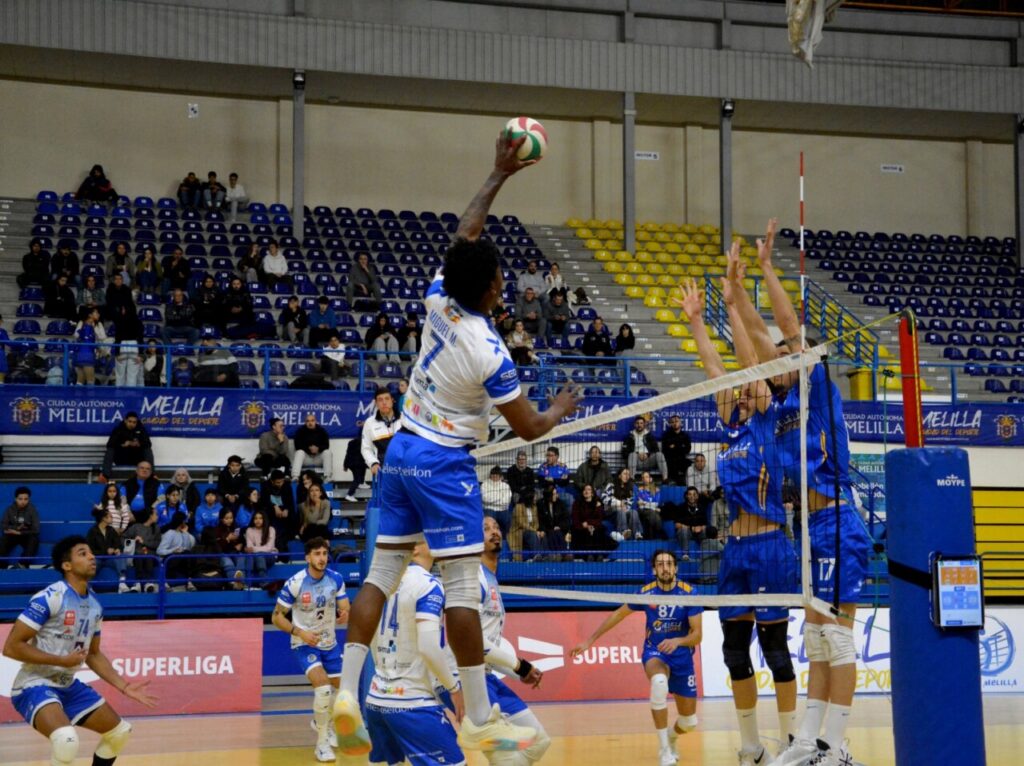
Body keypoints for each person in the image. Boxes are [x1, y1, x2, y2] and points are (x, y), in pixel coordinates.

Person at [333, 130, 578, 758]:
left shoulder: (437, 298)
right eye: (500, 278)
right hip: (443, 462)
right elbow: (529, 428)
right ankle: (479, 716)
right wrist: (560, 409)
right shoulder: (490, 350)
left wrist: (499, 173)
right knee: (463, 590)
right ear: (493, 290)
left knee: (380, 574)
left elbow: (466, 232)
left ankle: (346, 693)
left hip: (401, 451)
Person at [728, 223, 871, 766]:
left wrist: (766, 269)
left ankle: (837, 744)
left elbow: (786, 330)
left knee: (837, 637)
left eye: (793, 353)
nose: (785, 356)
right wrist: (734, 296)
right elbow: (756, 353)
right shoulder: (777, 410)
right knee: (814, 641)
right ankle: (809, 740)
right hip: (808, 530)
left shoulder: (818, 388)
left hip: (837, 521)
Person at [677, 274, 799, 764]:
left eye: (747, 391)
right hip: (735, 552)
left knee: (775, 650)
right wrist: (696, 322)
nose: (741, 395)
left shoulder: (769, 421)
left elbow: (750, 366)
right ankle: (752, 747)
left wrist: (731, 306)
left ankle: (793, 743)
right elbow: (716, 371)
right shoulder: (732, 431)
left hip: (770, 547)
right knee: (733, 652)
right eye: (739, 394)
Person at [1, 536, 156, 766]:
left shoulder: (95, 605)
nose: (92, 557)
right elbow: (11, 647)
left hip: (67, 684)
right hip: (33, 684)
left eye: (91, 552)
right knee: (66, 740)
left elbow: (93, 654)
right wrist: (61, 661)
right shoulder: (50, 598)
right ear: (67, 565)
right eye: (83, 553)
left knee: (119, 732)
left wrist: (124, 686)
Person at [571, 549, 702, 766]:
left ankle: (671, 737)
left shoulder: (690, 593)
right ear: (654, 570)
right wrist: (589, 641)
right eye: (660, 564)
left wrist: (678, 641)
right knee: (659, 683)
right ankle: (664, 750)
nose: (665, 568)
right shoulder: (645, 593)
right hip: (655, 652)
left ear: (676, 568)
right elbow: (618, 614)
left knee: (689, 722)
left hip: (681, 656)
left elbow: (697, 635)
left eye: (669, 564)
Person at [365, 541, 465, 766]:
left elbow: (368, 635)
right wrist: (454, 689)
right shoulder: (429, 584)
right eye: (428, 538)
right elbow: (428, 646)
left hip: (375, 700)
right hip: (413, 703)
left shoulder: (380, 583)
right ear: (414, 548)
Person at [472, 516, 552, 762]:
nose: (494, 532)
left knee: (539, 741)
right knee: (505, 759)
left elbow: (487, 648)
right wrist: (520, 666)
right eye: (486, 529)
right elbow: (472, 641)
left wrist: (519, 674)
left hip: (486, 675)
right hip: (468, 679)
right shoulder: (475, 577)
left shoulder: (492, 579)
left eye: (496, 527)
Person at [272, 537, 350, 762]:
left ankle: (321, 722)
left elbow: (345, 606)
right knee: (323, 688)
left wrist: (345, 613)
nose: (322, 558)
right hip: (304, 643)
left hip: (330, 643)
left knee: (342, 691)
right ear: (307, 557)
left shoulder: (336, 579)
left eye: (324, 554)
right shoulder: (296, 583)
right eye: (317, 554)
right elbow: (276, 617)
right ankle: (322, 743)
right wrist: (300, 632)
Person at [86, 507, 130, 593]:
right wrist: (105, 551)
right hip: (98, 557)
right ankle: (88, 587)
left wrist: (117, 549)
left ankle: (122, 583)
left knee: (121, 557)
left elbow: (118, 544)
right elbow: (90, 548)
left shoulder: (111, 530)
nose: (112, 518)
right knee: (92, 563)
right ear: (104, 518)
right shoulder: (92, 531)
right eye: (110, 516)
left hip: (109, 558)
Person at [99, 413, 153, 482]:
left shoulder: (141, 429)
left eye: (134, 422)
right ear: (125, 421)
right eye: (130, 421)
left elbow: (148, 444)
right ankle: (105, 475)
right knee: (110, 450)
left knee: (147, 450)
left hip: (136, 459)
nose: (132, 424)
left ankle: (151, 475)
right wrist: (123, 444)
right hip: (122, 458)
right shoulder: (118, 429)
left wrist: (138, 444)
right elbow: (110, 444)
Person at [361, 387, 400, 479]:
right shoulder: (369, 423)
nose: (384, 402)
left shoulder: (405, 420)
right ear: (376, 403)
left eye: (387, 399)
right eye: (380, 400)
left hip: (406, 470)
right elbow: (366, 448)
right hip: (383, 472)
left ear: (392, 400)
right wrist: (373, 463)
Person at [0, 487, 41, 569]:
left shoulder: (32, 510)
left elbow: (36, 529)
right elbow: (3, 525)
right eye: (20, 499)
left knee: (34, 540)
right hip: (12, 534)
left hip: (26, 535)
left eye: (26, 499)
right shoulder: (9, 509)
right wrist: (17, 528)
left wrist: (20, 532)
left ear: (29, 499)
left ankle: (22, 564)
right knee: (3, 540)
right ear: (15, 499)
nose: (23, 501)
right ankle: (2, 565)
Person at [570, 484, 613, 559]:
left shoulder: (597, 504)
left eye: (589, 489)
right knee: (585, 533)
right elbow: (575, 519)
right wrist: (585, 526)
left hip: (594, 527)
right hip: (581, 527)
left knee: (599, 531)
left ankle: (599, 554)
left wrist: (589, 523)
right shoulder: (577, 503)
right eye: (584, 489)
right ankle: (587, 555)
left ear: (592, 493)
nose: (586, 491)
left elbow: (599, 519)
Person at [123, 508, 161, 591]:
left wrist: (144, 542)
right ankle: (138, 582)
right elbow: (123, 538)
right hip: (137, 554)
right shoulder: (136, 527)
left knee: (148, 555)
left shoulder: (157, 528)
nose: (157, 516)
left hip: (151, 555)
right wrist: (133, 540)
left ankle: (149, 582)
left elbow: (157, 544)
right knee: (139, 554)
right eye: (156, 514)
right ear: (150, 516)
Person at [156, 511, 196, 587]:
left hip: (181, 558)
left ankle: (189, 581)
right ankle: (166, 582)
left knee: (188, 554)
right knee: (180, 556)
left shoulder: (184, 533)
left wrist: (185, 533)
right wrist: (172, 550)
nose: (186, 523)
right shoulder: (170, 533)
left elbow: (188, 547)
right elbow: (159, 551)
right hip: (170, 557)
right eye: (184, 521)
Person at [623, 416, 668, 480]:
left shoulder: (649, 436)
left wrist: (647, 454)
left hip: (649, 460)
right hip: (636, 461)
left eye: (641, 423)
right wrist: (637, 454)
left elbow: (656, 449)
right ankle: (631, 479)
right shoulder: (629, 437)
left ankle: (665, 479)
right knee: (632, 455)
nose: (639, 425)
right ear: (634, 424)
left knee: (659, 454)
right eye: (637, 423)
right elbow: (624, 453)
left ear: (644, 424)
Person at [292, 413, 333, 483]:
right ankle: (295, 477)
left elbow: (326, 445)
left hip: (318, 457)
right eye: (308, 421)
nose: (310, 423)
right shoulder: (300, 431)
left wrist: (318, 449)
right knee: (299, 452)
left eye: (312, 420)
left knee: (327, 452)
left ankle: (327, 477)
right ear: (305, 422)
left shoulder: (322, 430)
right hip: (306, 458)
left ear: (315, 421)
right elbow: (297, 446)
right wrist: (309, 449)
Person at [605, 467, 643, 541]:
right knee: (621, 511)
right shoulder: (611, 485)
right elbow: (605, 498)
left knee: (634, 512)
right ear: (619, 476)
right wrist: (619, 503)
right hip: (611, 511)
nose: (627, 476)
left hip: (624, 510)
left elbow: (629, 502)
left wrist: (626, 508)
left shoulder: (630, 488)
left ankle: (637, 534)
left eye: (628, 474)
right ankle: (623, 533)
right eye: (625, 474)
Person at [262, 469, 298, 545]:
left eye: (282, 481)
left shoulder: (287, 485)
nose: (281, 484)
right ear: (272, 481)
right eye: (278, 482)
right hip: (271, 506)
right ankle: (267, 534)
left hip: (283, 506)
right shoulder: (265, 485)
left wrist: (286, 509)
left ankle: (293, 534)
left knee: (293, 513)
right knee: (265, 512)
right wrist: (274, 506)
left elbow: (290, 501)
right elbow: (264, 500)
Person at [212, 508, 245, 588]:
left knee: (241, 558)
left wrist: (241, 544)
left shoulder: (236, 528)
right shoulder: (216, 530)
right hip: (223, 553)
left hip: (234, 551)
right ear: (221, 519)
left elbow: (242, 540)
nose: (229, 520)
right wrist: (227, 539)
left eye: (231, 518)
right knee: (228, 563)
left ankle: (242, 582)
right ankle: (233, 583)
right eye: (226, 518)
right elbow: (217, 545)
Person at [536, 485, 570, 559]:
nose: (556, 495)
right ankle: (558, 555)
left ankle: (562, 555)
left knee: (557, 532)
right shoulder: (541, 504)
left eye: (556, 493)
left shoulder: (561, 504)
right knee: (552, 533)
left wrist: (560, 526)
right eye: (554, 494)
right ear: (548, 495)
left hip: (559, 529)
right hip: (547, 529)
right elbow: (540, 520)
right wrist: (543, 530)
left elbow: (566, 520)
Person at [243, 509, 277, 582]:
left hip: (270, 556)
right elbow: (249, 548)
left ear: (264, 519)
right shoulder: (249, 530)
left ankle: (263, 580)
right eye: (255, 518)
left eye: (260, 518)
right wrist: (252, 550)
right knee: (250, 556)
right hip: (255, 557)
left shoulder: (271, 529)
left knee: (259, 555)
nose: (258, 520)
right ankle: (249, 581)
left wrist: (254, 549)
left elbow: (269, 548)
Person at [481, 465, 513, 535]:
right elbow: (485, 499)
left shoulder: (505, 486)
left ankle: (504, 538)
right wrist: (500, 496)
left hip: (503, 509)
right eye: (493, 474)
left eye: (497, 474)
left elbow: (506, 501)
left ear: (500, 476)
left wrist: (493, 497)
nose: (495, 476)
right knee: (489, 521)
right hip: (489, 509)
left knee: (507, 520)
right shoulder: (484, 484)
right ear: (490, 475)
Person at [661, 415, 692, 485]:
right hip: (670, 460)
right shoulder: (666, 435)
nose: (675, 423)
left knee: (688, 464)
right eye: (672, 422)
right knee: (671, 464)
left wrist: (674, 446)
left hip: (682, 459)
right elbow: (665, 450)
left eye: (676, 421)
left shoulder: (685, 435)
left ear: (680, 422)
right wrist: (680, 446)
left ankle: (683, 485)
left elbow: (688, 449)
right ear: (670, 424)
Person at [634, 471, 664, 541]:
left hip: (651, 512)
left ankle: (650, 537)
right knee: (653, 513)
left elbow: (656, 504)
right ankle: (660, 531)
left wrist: (644, 503)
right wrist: (652, 506)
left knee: (651, 515)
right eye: (643, 477)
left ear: (651, 479)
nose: (645, 479)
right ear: (642, 480)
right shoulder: (639, 490)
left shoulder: (656, 490)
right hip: (642, 511)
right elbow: (640, 505)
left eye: (647, 477)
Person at [73, 306, 98, 386]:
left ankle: (77, 395)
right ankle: (90, 395)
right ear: (90, 315)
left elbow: (77, 336)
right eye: (96, 313)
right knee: (91, 380)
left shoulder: (84, 324)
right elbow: (90, 341)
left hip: (80, 354)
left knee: (80, 380)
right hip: (86, 355)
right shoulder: (88, 326)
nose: (98, 314)